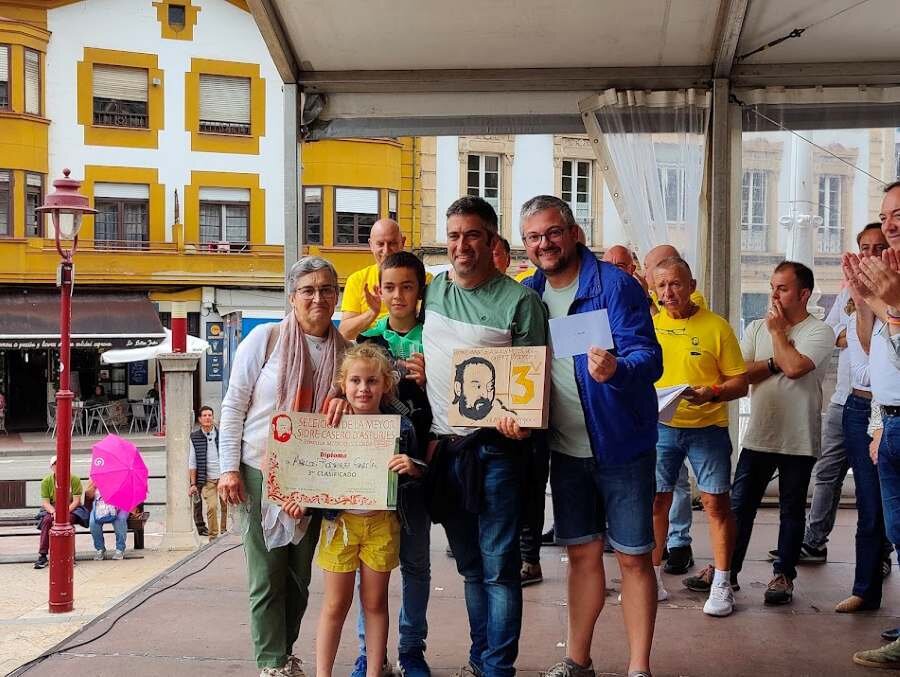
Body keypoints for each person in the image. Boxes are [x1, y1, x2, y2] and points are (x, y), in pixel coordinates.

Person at [520, 196, 662, 677]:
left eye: (553, 232)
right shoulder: (528, 294)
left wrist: (618, 368)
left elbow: (650, 359)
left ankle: (638, 669)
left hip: (622, 446)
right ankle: (577, 662)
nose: (544, 243)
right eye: (534, 237)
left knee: (634, 559)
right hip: (565, 450)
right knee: (581, 557)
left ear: (574, 233)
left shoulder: (615, 285)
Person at [423, 196, 547, 677]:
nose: (461, 245)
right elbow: (393, 335)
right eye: (454, 236)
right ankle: (480, 660)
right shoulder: (433, 290)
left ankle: (498, 668)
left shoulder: (520, 303)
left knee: (498, 570)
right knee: (470, 568)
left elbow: (532, 387)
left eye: (472, 235)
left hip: (496, 453)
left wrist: (523, 421)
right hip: (443, 449)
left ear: (492, 241)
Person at [218, 256, 351, 677]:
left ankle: (285, 651)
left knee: (299, 575)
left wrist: (345, 400)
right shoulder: (266, 339)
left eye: (326, 289)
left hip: (312, 475)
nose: (317, 298)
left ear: (336, 296)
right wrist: (228, 469)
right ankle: (271, 663)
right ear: (292, 297)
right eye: (307, 290)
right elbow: (234, 404)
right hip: (258, 471)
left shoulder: (346, 354)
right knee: (266, 575)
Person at [314, 343, 424, 677]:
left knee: (375, 602)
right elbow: (314, 470)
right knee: (335, 604)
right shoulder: (330, 422)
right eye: (356, 381)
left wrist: (412, 467)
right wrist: (299, 501)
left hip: (381, 524)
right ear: (343, 384)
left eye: (372, 381)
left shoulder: (401, 428)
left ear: (385, 385)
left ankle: (375, 671)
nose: (363, 389)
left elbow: (418, 473)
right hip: (339, 525)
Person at [648, 256, 748, 616]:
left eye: (676, 284)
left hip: (708, 429)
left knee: (716, 504)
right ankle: (651, 579)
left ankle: (722, 583)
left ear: (691, 286)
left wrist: (714, 392)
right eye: (661, 285)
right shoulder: (650, 327)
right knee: (656, 502)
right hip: (661, 427)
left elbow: (741, 382)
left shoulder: (716, 327)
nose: (668, 292)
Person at [731, 261, 836, 605]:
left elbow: (794, 368)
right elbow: (740, 373)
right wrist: (773, 362)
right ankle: (726, 572)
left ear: (804, 294)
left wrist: (778, 336)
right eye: (772, 287)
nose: (774, 295)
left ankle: (783, 575)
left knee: (791, 510)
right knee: (739, 506)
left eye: (783, 289)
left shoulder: (819, 331)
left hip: (798, 437)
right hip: (759, 433)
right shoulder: (756, 328)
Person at [356, 250, 433, 677]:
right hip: (371, 475)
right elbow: (348, 384)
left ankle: (411, 649)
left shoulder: (435, 336)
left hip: (416, 470)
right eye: (389, 287)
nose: (398, 295)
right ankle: (369, 654)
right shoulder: (369, 340)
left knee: (416, 565)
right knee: (369, 571)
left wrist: (432, 379)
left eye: (407, 287)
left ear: (420, 290)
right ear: (379, 291)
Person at [848, 180, 900, 668]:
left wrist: (892, 306)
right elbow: (875, 355)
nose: (890, 224)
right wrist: (868, 302)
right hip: (890, 423)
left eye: (898, 214)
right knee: (898, 532)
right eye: (885, 215)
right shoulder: (891, 279)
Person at [642, 244, 701, 574]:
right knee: (660, 487)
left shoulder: (694, 306)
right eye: (654, 275)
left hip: (693, 412)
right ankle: (657, 548)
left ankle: (679, 542)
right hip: (656, 411)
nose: (661, 286)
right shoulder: (652, 310)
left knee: (678, 484)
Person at [339, 219, 407, 340]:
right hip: (369, 349)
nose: (386, 251)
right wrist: (372, 312)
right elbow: (345, 333)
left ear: (403, 242)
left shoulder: (423, 279)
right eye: (380, 244)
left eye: (392, 243)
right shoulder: (357, 280)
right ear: (371, 245)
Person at [35, 456, 86, 569]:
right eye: (55, 464)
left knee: (67, 521)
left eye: (62, 463)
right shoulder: (46, 481)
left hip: (70, 507)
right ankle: (43, 555)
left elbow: (76, 501)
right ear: (51, 467)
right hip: (53, 508)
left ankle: (70, 555)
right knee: (47, 521)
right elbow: (46, 502)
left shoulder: (74, 479)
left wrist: (64, 512)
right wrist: (54, 511)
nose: (59, 466)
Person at [188, 406, 227, 541]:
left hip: (222, 477)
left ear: (213, 417)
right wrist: (193, 484)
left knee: (225, 506)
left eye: (210, 415)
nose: (207, 418)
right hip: (207, 480)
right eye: (204, 415)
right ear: (199, 419)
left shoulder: (222, 434)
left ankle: (224, 532)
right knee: (212, 507)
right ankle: (213, 537)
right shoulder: (194, 437)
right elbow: (192, 462)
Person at [88, 480, 130, 560]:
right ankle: (100, 549)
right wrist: (94, 485)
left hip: (120, 504)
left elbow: (127, 494)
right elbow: (89, 495)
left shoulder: (122, 476)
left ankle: (120, 549)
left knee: (120, 519)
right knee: (93, 522)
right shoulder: (95, 477)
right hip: (100, 505)